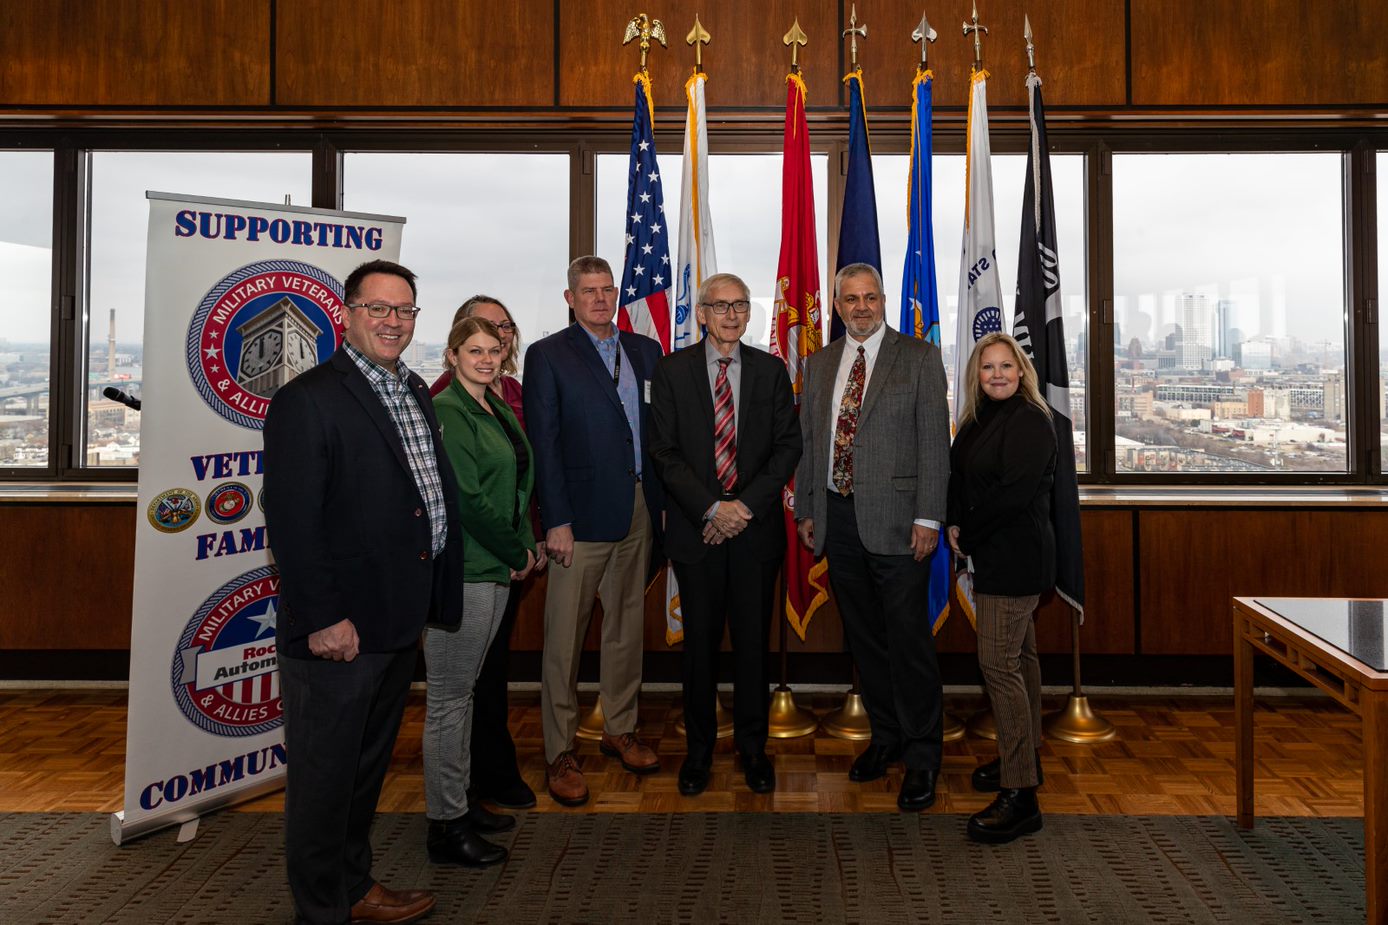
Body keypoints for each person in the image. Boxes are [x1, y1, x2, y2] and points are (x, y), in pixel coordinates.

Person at [264, 259, 464, 925]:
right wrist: (323, 618)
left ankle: (352, 885)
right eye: (378, 308)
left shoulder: (412, 390)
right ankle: (321, 910)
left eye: (404, 310)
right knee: (323, 782)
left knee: (362, 774)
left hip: (394, 621)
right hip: (337, 631)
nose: (393, 320)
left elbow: (419, 499)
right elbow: (293, 520)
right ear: (346, 313)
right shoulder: (309, 398)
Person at [794, 262, 951, 812]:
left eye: (871, 297)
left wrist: (929, 517)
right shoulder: (818, 364)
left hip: (900, 525)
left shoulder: (919, 357)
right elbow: (813, 445)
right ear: (837, 306)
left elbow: (936, 444)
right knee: (865, 642)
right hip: (837, 523)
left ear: (884, 301)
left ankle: (923, 757)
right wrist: (810, 509)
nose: (861, 307)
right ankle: (886, 739)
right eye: (851, 299)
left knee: (909, 645)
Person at [648, 272, 803, 797]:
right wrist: (712, 509)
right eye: (721, 306)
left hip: (754, 535)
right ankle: (698, 753)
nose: (732, 315)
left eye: (740, 305)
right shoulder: (671, 372)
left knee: (753, 649)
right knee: (700, 652)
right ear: (702, 314)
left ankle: (754, 750)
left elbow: (788, 448)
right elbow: (663, 453)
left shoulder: (771, 370)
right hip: (697, 536)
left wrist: (740, 509)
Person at [523, 255, 665, 806]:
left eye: (607, 290)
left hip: (638, 509)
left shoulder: (645, 351)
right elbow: (545, 443)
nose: (601, 299)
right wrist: (554, 519)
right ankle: (559, 752)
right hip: (578, 519)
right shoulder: (548, 355)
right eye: (589, 291)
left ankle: (619, 728)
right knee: (564, 639)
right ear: (570, 299)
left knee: (626, 627)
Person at [423, 315, 540, 866]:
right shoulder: (448, 409)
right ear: (452, 355)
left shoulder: (490, 405)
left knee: (465, 695)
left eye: (495, 349)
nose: (487, 359)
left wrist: (522, 545)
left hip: (496, 568)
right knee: (449, 701)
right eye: (475, 351)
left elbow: (516, 485)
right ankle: (445, 826)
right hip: (467, 570)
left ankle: (463, 802)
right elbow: (468, 499)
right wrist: (519, 551)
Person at [946, 331, 1057, 844]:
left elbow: (1013, 496)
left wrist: (966, 534)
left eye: (1005, 367)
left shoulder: (1032, 420)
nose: (996, 375)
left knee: (998, 665)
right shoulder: (976, 418)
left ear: (1022, 372)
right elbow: (958, 478)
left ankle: (1021, 795)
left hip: (1014, 560)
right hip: (990, 553)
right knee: (1023, 659)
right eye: (987, 367)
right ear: (976, 374)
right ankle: (1024, 755)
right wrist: (951, 521)